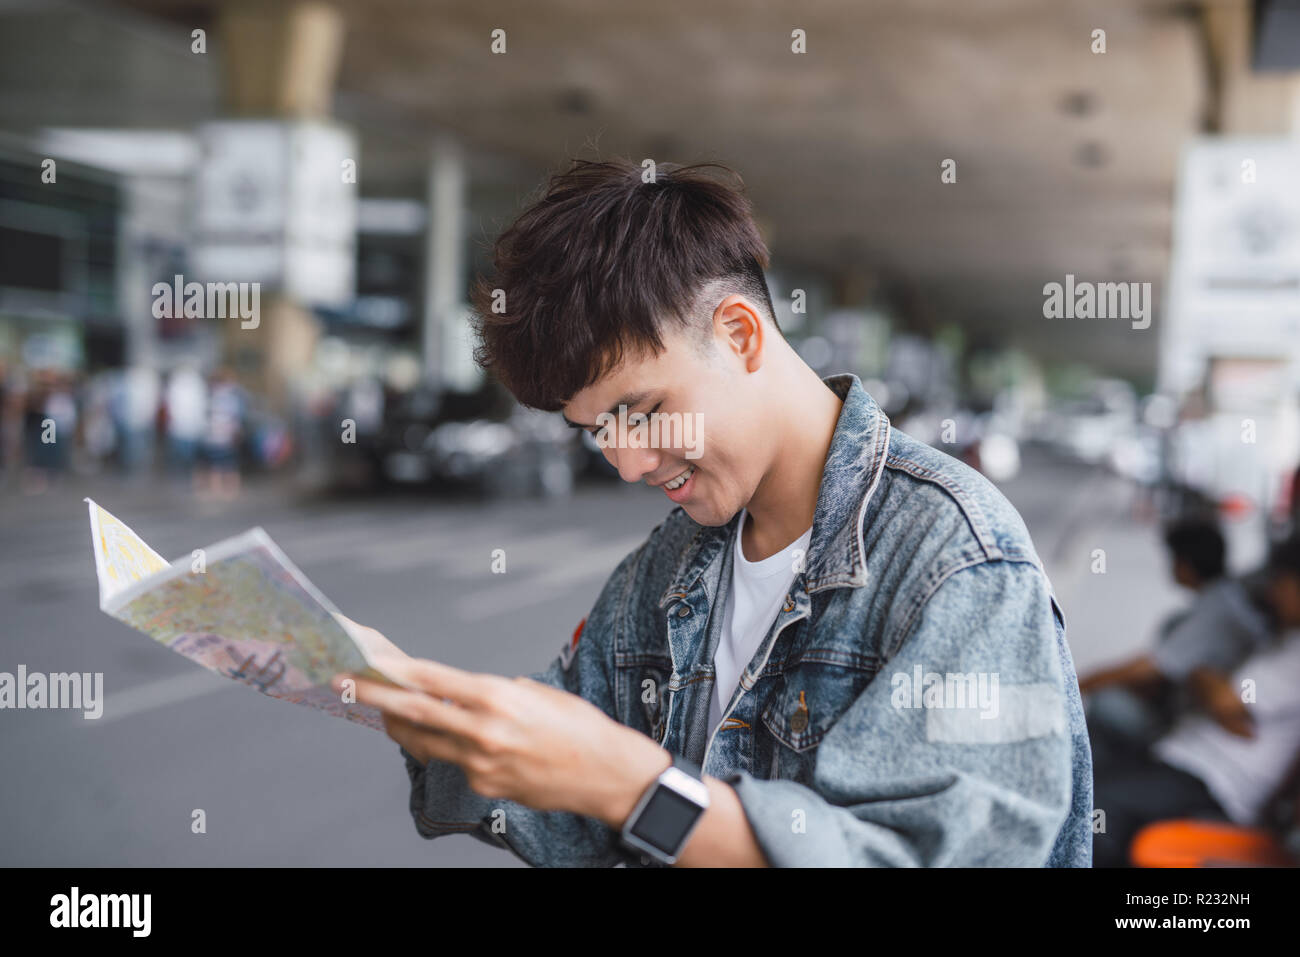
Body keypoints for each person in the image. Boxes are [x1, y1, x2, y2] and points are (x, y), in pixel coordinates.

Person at [333, 158, 1092, 867]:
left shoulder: (960, 562)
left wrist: (635, 788)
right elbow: (567, 805)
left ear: (739, 333)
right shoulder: (667, 566)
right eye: (597, 429)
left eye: (643, 410)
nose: (627, 461)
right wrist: (410, 702)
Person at [1091, 534, 1300, 867]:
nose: (1274, 590)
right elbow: (1225, 704)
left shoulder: (1294, 655)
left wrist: (1204, 677)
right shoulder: (1279, 639)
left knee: (1094, 808)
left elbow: (1224, 701)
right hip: (1185, 759)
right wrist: (1211, 689)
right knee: (1088, 777)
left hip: (1215, 785)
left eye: (1283, 582)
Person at [1079, 516, 1272, 762]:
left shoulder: (1217, 611)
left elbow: (1147, 667)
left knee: (1108, 705)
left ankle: (1091, 784)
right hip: (1195, 705)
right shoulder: (1224, 598)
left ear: (1186, 564)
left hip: (1197, 725)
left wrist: (1076, 685)